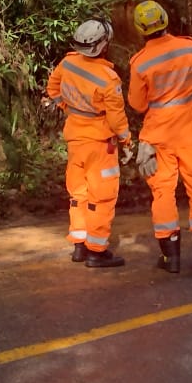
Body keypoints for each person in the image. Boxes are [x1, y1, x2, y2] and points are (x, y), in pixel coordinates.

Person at [127, 0, 192, 274]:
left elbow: (137, 104)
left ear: (140, 29)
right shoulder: (190, 46)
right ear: (166, 19)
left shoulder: (140, 63)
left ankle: (171, 259)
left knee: (163, 193)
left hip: (158, 136)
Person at [44, 18, 134, 268]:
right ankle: (96, 250)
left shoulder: (68, 62)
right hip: (99, 143)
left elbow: (53, 88)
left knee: (78, 194)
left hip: (75, 138)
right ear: (103, 45)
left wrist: (68, 106)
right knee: (101, 197)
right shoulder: (109, 79)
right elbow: (116, 119)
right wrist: (127, 140)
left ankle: (79, 246)